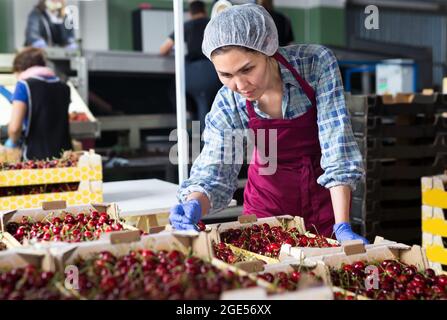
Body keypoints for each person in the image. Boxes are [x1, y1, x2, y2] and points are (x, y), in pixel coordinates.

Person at [169, 4, 368, 244]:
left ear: (268, 49)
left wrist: (342, 225)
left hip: (325, 205)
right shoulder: (230, 100)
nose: (240, 85)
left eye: (247, 69)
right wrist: (194, 202)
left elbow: (337, 142)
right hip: (266, 208)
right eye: (226, 75)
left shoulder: (315, 64)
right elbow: (215, 168)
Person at [160, 0, 221, 133]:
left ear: (190, 13)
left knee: (182, 95)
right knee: (213, 105)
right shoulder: (213, 23)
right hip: (214, 73)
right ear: (204, 11)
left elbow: (163, 49)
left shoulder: (186, 26)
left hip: (193, 75)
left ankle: (194, 129)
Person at [4, 47, 72, 160]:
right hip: (64, 158)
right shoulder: (64, 87)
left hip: (35, 159)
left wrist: (11, 142)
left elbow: (15, 128)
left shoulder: (23, 85)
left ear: (21, 68)